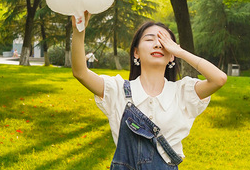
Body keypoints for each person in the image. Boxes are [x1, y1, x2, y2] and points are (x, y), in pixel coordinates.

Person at [71, 12, 227, 169]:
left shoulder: (183, 93)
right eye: (150, 39)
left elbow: (219, 79)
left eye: (164, 41)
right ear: (136, 52)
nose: (158, 44)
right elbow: (80, 73)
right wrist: (79, 31)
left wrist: (179, 52)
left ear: (171, 56)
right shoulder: (117, 90)